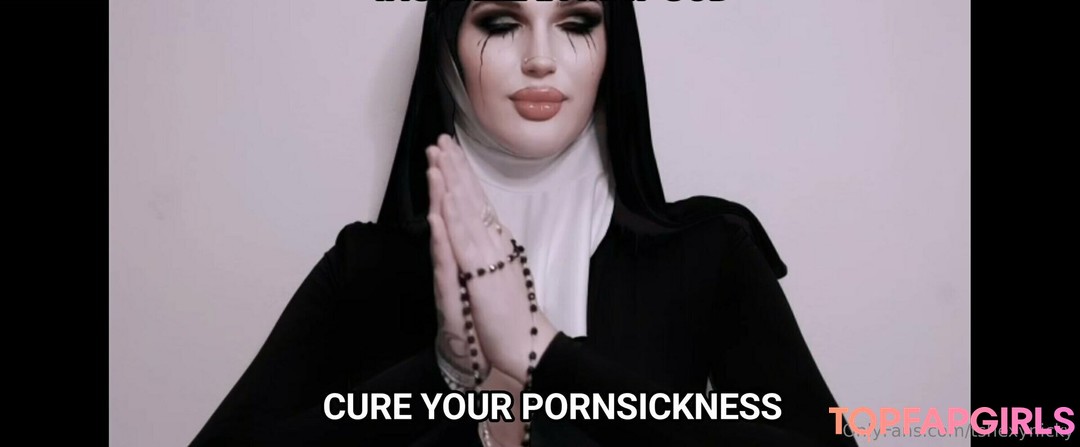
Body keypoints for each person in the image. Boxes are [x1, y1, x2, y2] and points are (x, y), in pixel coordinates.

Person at [190, 1, 857, 445]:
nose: (541, 57)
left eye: (577, 22)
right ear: (447, 47)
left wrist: (548, 354)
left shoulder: (709, 254)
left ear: (612, 48)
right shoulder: (367, 268)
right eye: (502, 22)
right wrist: (443, 374)